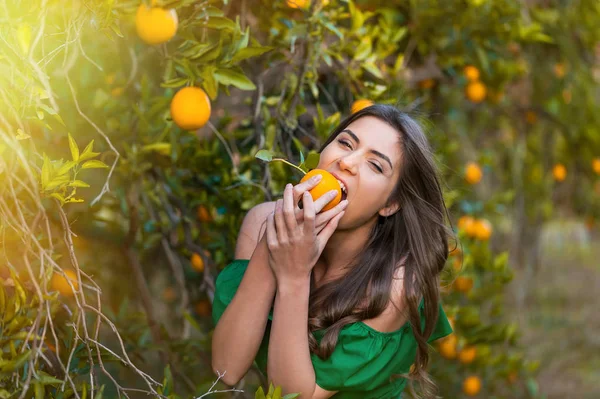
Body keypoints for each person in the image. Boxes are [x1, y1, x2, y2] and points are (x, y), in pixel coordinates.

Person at [211, 104, 455, 399]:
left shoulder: (395, 286)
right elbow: (226, 368)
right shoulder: (262, 222)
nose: (348, 162)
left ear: (390, 204)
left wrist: (294, 275)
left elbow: (292, 397)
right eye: (345, 143)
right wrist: (270, 246)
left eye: (375, 165)